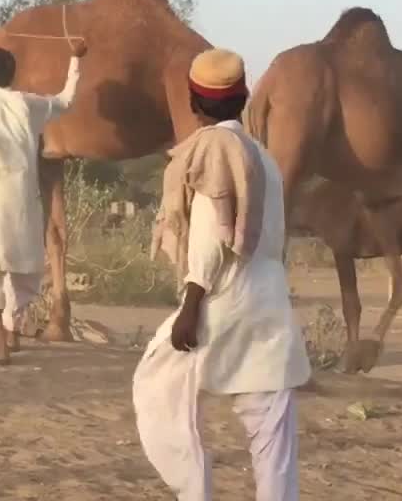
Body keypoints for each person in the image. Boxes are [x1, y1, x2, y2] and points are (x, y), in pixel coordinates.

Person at [134, 48, 310, 501]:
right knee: (273, 446)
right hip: (269, 302)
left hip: (222, 297)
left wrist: (191, 304)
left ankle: (195, 492)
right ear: (245, 95)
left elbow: (213, 236)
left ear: (194, 102)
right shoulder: (264, 158)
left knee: (158, 388)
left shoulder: (213, 148)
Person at [0, 40, 87, 364]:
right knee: (17, 267)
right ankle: (12, 334)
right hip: (24, 199)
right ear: (12, 74)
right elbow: (66, 100)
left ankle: (0, 347)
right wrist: (75, 58)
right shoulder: (29, 104)